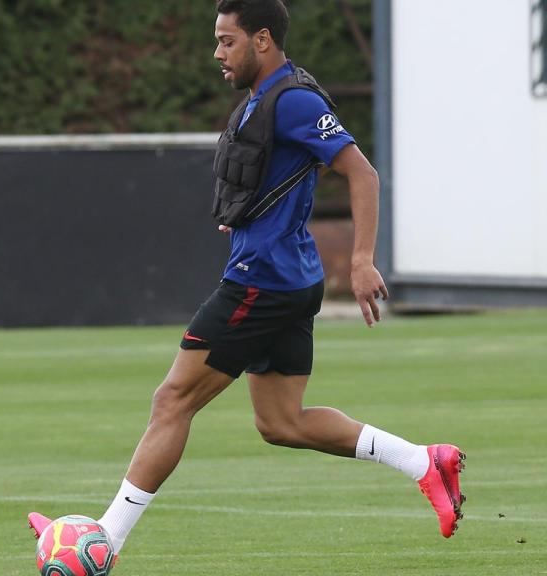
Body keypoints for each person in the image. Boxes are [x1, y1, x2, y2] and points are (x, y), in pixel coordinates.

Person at [28, 0, 465, 560]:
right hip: (285, 277)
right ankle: (423, 461)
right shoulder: (266, 98)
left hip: (263, 282)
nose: (218, 53)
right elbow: (269, 175)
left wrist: (361, 259)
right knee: (281, 421)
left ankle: (102, 541)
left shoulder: (295, 101)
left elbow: (363, 173)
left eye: (227, 41)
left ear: (263, 40)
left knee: (172, 400)